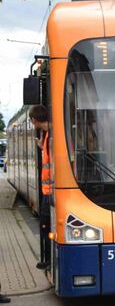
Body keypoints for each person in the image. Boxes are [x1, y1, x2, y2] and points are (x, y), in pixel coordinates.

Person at [29, 105, 52, 270]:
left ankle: (50, 260)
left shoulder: (51, 137)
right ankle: (49, 260)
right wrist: (42, 148)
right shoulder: (48, 136)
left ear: (34, 120)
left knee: (46, 227)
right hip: (48, 191)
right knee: (46, 226)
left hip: (51, 192)